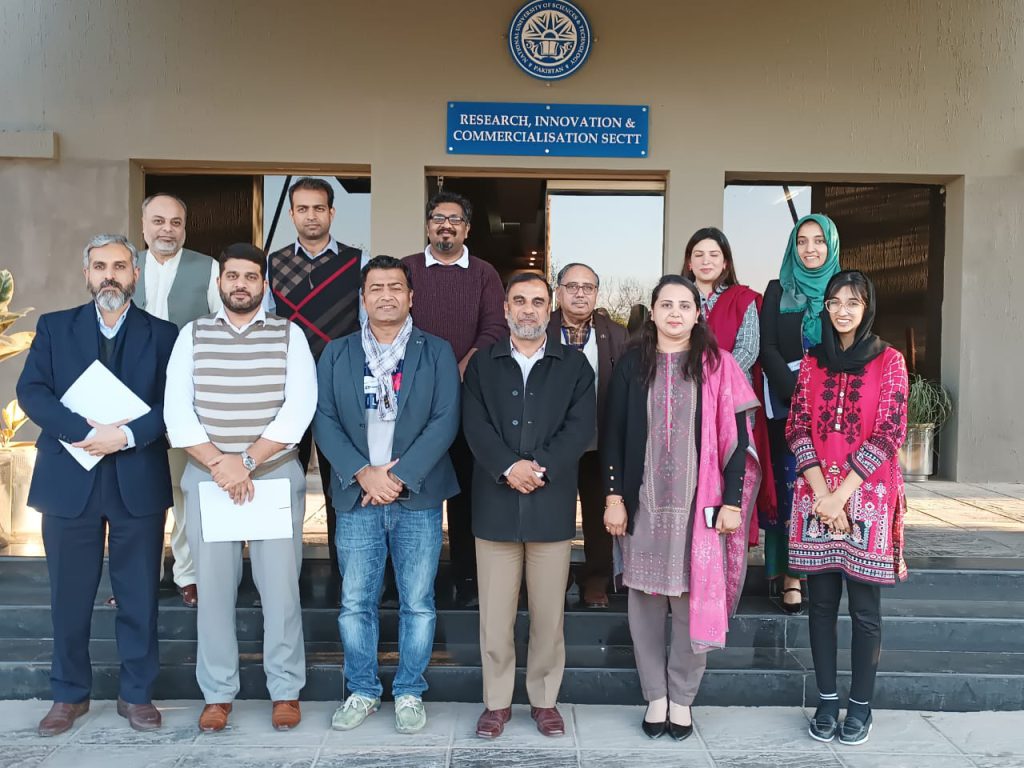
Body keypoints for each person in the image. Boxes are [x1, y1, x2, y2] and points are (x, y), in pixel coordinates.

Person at [18, 234, 178, 735]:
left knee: (139, 596)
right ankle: (68, 695)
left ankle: (136, 695)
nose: (110, 275)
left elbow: (176, 405)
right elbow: (32, 391)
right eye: (100, 266)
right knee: (69, 594)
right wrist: (86, 433)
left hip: (137, 478)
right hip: (70, 476)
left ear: (135, 274)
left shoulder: (165, 333)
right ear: (87, 274)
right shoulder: (53, 327)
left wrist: (126, 435)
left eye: (120, 266)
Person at [164, 243, 317, 732]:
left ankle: (286, 689)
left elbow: (299, 409)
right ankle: (217, 693)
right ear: (219, 282)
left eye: (250, 277)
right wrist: (220, 464)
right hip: (210, 480)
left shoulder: (288, 335)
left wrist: (246, 461)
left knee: (281, 592)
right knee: (212, 593)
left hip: (270, 477)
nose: (240, 285)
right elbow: (176, 410)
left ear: (263, 285)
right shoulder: (192, 335)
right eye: (232, 276)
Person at [603, 275, 760, 741]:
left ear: (698, 313)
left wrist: (731, 502)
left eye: (684, 305)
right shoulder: (632, 365)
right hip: (642, 506)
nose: (675, 313)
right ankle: (655, 696)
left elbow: (738, 444)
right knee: (645, 604)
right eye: (665, 304)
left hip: (701, 508)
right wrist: (613, 497)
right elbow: (612, 434)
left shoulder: (720, 365)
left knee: (693, 604)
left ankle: (683, 698)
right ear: (651, 312)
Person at [313, 256, 461, 734]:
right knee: (356, 600)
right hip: (357, 497)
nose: (385, 296)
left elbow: (445, 420)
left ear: (411, 295)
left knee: (418, 600)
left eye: (395, 287)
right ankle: (361, 688)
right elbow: (324, 419)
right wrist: (362, 473)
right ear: (363, 297)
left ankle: (410, 690)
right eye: (375, 288)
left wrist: (400, 476)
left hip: (415, 497)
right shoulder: (337, 354)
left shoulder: (435, 351)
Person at [462, 273, 595, 739]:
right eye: (519, 301)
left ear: (550, 308)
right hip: (495, 505)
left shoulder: (575, 366)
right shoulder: (482, 366)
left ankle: (544, 701)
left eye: (538, 301)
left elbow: (580, 429)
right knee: (495, 617)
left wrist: (537, 467)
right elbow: (473, 426)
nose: (528, 310)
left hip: (550, 505)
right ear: (504, 309)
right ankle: (496, 704)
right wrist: (508, 466)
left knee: (548, 616)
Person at [787, 270, 908, 746]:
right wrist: (823, 493)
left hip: (869, 500)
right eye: (835, 301)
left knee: (864, 610)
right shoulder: (813, 362)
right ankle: (826, 701)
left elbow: (890, 430)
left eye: (852, 302)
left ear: (867, 307)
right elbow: (796, 427)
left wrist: (840, 496)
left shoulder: (890, 360)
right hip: (816, 497)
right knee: (819, 607)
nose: (842, 310)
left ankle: (861, 706)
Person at [403, 191, 507, 607]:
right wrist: (428, 373)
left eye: (455, 219)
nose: (446, 225)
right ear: (428, 225)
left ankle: (467, 581)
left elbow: (495, 327)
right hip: (413, 399)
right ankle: (410, 584)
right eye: (438, 218)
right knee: (413, 492)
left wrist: (459, 366)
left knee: (465, 496)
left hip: (467, 397)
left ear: (467, 228)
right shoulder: (407, 269)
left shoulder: (484, 274)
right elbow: (395, 321)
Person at [267, 177, 368, 581]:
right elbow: (270, 330)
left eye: (319, 208)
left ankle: (348, 573)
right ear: (291, 214)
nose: (311, 216)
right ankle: (280, 575)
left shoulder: (356, 261)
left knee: (340, 484)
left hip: (339, 390)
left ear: (332, 212)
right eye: (303, 209)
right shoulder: (271, 264)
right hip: (287, 391)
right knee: (280, 483)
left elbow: (365, 328)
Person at [135, 192, 223, 608]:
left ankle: (186, 573)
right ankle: (138, 577)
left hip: (189, 398)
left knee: (185, 489)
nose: (166, 229)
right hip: (131, 401)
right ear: (144, 225)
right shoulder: (125, 265)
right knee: (136, 493)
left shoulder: (208, 268)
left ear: (184, 228)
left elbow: (223, 330)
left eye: (175, 222)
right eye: (158, 221)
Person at [759, 214, 841, 614]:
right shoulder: (778, 289)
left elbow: (851, 349)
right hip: (787, 406)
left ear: (831, 246)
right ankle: (791, 575)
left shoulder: (844, 288)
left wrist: (824, 400)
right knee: (792, 488)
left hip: (834, 412)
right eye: (803, 241)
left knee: (827, 487)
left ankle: (825, 567)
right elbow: (768, 346)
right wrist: (797, 397)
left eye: (818, 241)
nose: (810, 249)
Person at [682, 227, 777, 553]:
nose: (706, 261)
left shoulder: (745, 299)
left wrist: (710, 384)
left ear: (725, 263)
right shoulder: (678, 298)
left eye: (714, 255)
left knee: (731, 476)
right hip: (685, 401)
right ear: (689, 262)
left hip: (733, 403)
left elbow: (748, 351)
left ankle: (728, 555)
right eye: (699, 255)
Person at [546, 263, 628, 608]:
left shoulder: (615, 335)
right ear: (558, 291)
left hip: (599, 442)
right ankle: (555, 579)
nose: (580, 293)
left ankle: (597, 580)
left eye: (588, 287)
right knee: (553, 515)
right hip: (552, 443)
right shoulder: (540, 327)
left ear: (597, 292)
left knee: (599, 515)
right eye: (572, 286)